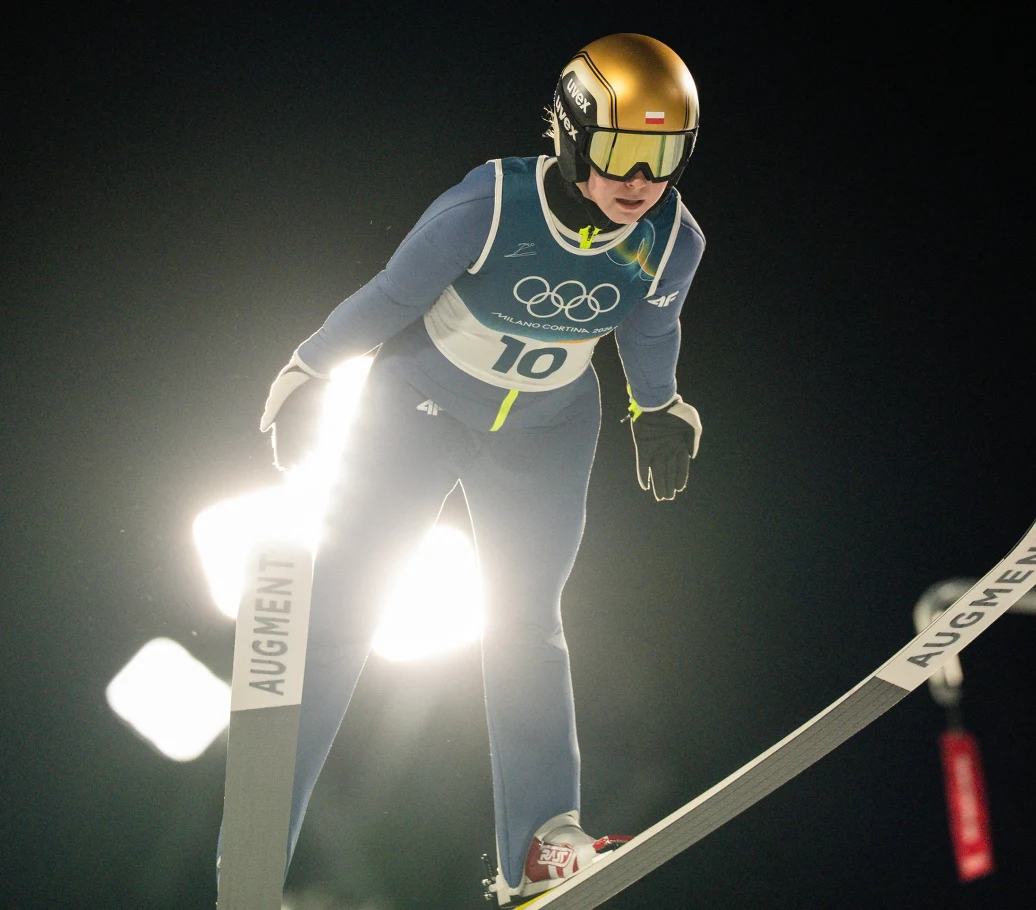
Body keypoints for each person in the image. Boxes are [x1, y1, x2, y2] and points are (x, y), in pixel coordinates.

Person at [244, 32, 706, 906]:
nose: (639, 181)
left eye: (664, 158)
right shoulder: (486, 206)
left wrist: (659, 408)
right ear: (572, 135)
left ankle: (538, 846)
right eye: (620, 152)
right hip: (419, 405)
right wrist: (309, 370)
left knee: (526, 622)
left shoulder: (672, 239)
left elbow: (651, 330)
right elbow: (389, 298)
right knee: (347, 608)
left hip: (549, 424)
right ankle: (262, 848)